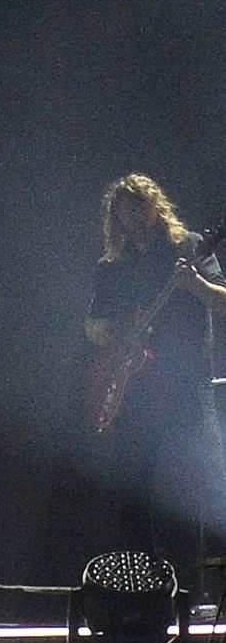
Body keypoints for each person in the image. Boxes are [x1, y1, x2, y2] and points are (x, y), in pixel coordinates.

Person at [84, 173, 226, 583]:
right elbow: (92, 325)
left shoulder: (190, 248)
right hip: (135, 392)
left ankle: (195, 592)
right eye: (124, 210)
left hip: (185, 389)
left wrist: (194, 283)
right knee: (135, 495)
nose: (133, 216)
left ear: (155, 206)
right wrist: (115, 335)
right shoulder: (112, 265)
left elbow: (223, 303)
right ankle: (140, 589)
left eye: (139, 206)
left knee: (193, 490)